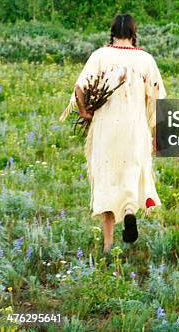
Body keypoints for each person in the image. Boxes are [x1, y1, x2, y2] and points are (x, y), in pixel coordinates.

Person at [60, 13, 166, 253]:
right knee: (131, 172)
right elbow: (158, 98)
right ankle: (129, 211)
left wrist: (85, 112)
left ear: (112, 32)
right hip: (134, 128)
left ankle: (108, 246)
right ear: (132, 33)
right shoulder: (145, 60)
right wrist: (156, 133)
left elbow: (79, 87)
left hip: (106, 130)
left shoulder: (99, 56)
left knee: (106, 178)